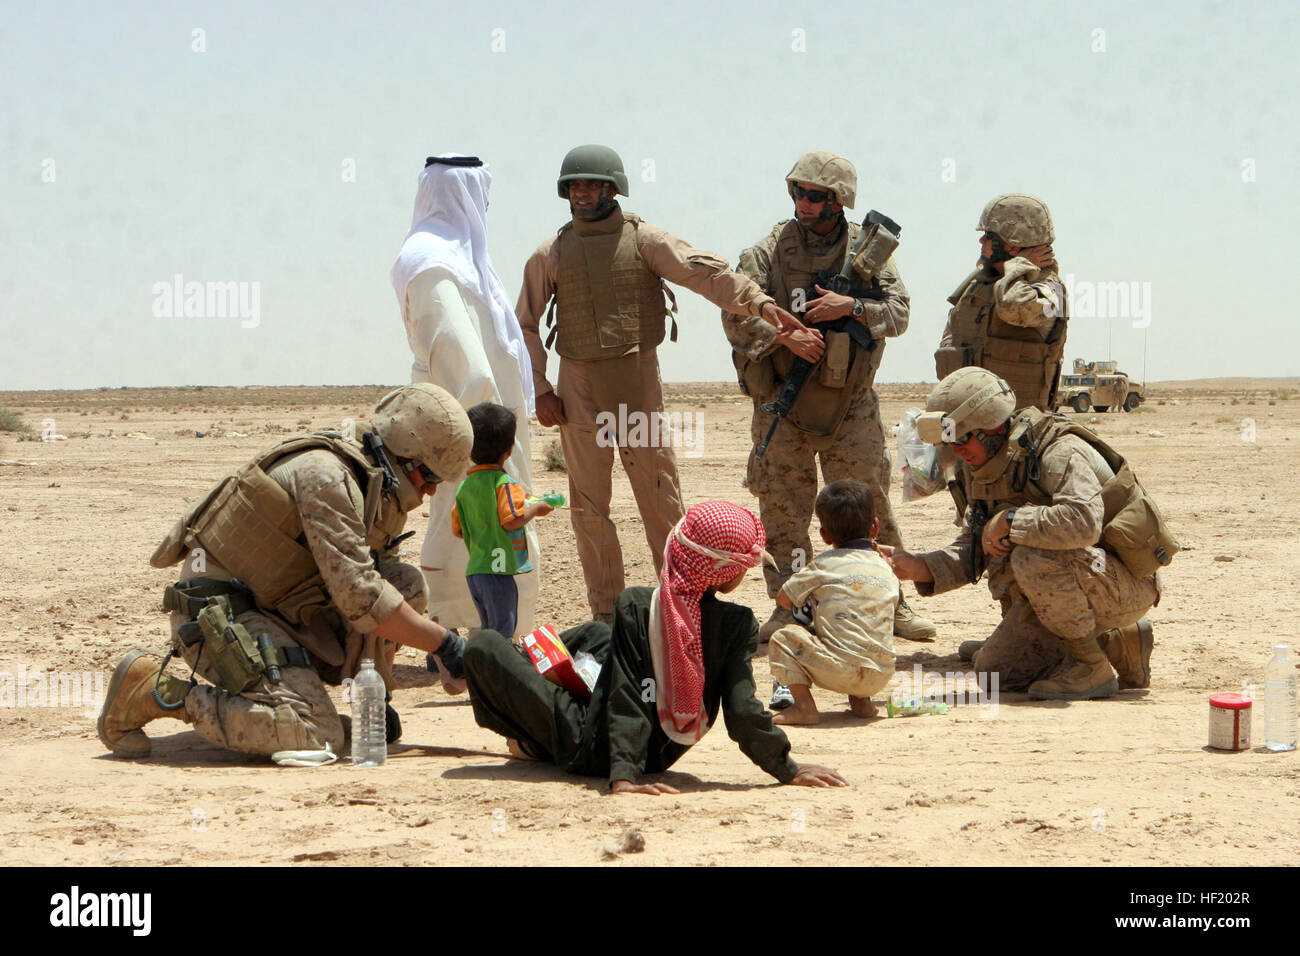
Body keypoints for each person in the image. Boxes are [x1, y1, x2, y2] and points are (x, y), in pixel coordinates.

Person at [97, 384, 475, 759]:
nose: (428, 492)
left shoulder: (374, 480)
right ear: (406, 457)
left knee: (406, 585)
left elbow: (377, 580)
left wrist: (390, 686)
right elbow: (361, 597)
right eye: (430, 478)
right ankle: (156, 692)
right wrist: (446, 646)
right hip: (221, 616)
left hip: (281, 607)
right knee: (317, 734)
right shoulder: (327, 476)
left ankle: (361, 699)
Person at [516, 144, 804, 624]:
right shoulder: (551, 253)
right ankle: (605, 619)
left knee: (660, 501)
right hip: (578, 389)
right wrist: (541, 390)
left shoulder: (645, 240)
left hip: (637, 384)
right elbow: (523, 323)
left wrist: (759, 303)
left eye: (592, 184)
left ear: (613, 189)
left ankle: (683, 605)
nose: (583, 193)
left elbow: (704, 274)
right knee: (588, 510)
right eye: (575, 185)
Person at [462, 501, 849, 793]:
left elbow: (629, 692)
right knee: (597, 635)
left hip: (593, 748)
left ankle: (531, 738)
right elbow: (743, 711)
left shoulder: (636, 604)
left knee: (482, 645)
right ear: (728, 576)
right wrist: (787, 767)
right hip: (661, 753)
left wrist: (624, 777)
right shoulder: (738, 624)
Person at [721, 150, 934, 645]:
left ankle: (890, 602)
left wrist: (853, 306)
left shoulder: (869, 251)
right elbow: (733, 314)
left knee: (868, 504)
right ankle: (790, 607)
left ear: (839, 202)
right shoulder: (769, 250)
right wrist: (784, 337)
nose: (803, 202)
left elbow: (900, 314)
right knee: (783, 511)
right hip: (782, 403)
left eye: (815, 196)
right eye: (797, 191)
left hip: (850, 405)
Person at [879, 368, 1171, 700]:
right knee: (995, 673)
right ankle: (1115, 641)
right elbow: (978, 544)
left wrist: (1011, 519)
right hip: (1078, 585)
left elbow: (1084, 522)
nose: (957, 452)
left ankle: (1090, 664)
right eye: (951, 443)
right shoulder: (984, 464)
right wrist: (918, 566)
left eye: (963, 439)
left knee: (1032, 555)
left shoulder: (1058, 450)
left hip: (1122, 583)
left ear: (990, 426)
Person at [391, 155, 540, 643]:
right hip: (472, 431)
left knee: (484, 528)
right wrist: (485, 438)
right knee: (473, 526)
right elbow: (467, 366)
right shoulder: (430, 263)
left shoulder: (462, 260)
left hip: (487, 427)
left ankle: (486, 635)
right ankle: (458, 637)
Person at [768, 480, 898, 725]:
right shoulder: (886, 568)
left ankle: (804, 707)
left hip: (840, 671)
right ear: (875, 528)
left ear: (825, 536)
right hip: (882, 674)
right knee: (861, 623)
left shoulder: (823, 565)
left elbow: (783, 599)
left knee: (783, 638)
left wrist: (808, 610)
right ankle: (862, 703)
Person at [934, 193, 1067, 412]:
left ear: (1013, 246)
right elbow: (951, 342)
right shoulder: (978, 286)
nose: (981, 241)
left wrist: (1020, 267)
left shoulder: (1051, 291)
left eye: (988, 235)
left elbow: (1012, 307)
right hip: (966, 422)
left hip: (1017, 428)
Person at [451, 402, 555, 639]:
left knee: (489, 630)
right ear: (509, 449)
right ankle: (497, 673)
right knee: (503, 633)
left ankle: (484, 669)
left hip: (476, 571)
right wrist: (536, 508)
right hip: (498, 572)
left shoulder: (465, 487)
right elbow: (512, 520)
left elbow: (458, 528)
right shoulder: (505, 484)